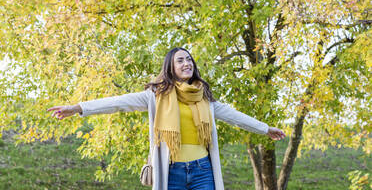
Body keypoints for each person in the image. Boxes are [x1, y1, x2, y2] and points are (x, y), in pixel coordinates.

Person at [48, 47, 285, 190]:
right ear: (171, 67)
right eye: (180, 60)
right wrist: (79, 108)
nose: (186, 63)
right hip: (171, 171)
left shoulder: (204, 97)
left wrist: (265, 129)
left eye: (189, 59)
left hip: (203, 170)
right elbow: (117, 102)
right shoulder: (155, 96)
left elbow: (235, 116)